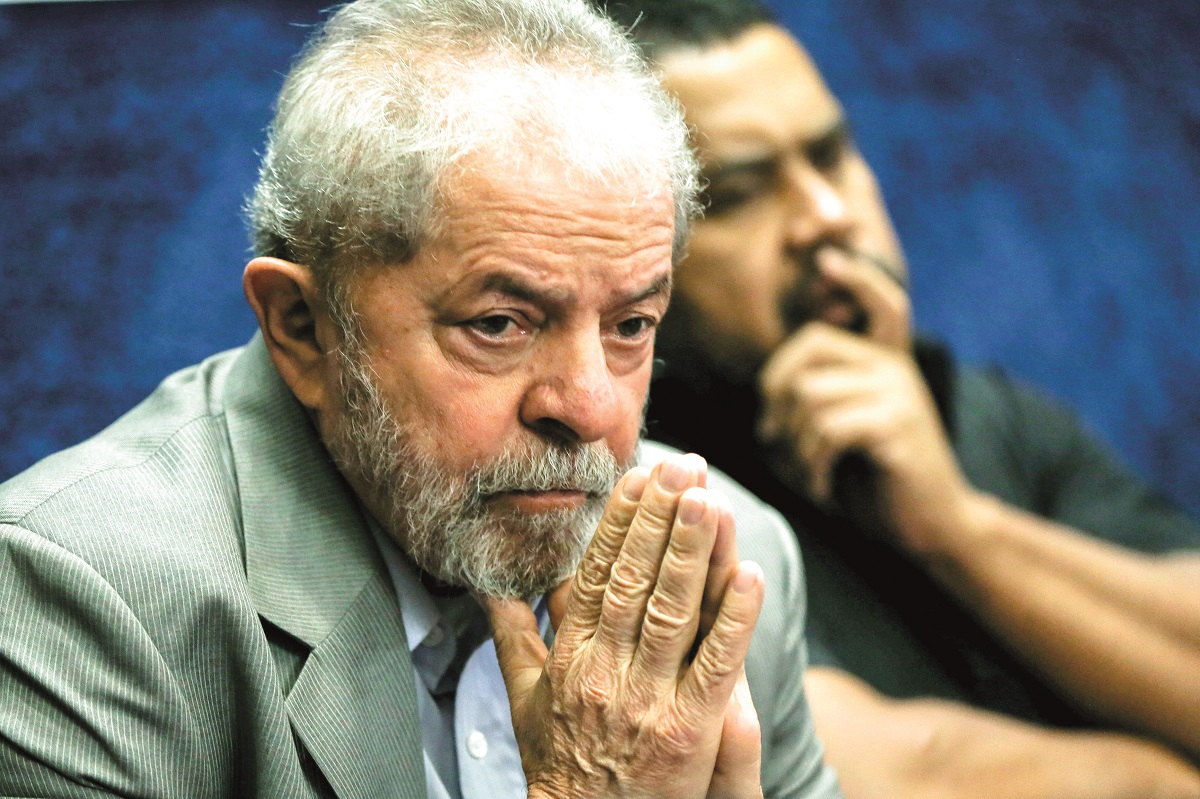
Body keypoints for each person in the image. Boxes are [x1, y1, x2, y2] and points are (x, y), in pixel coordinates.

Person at [0, 1, 843, 797]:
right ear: (304, 327)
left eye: (630, 324)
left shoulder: (726, 572)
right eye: (500, 323)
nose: (590, 409)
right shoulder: (80, 597)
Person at [588, 0, 1200, 796]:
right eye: (738, 194)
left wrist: (960, 530)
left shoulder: (982, 411)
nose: (827, 216)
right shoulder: (642, 490)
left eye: (831, 155)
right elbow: (886, 772)